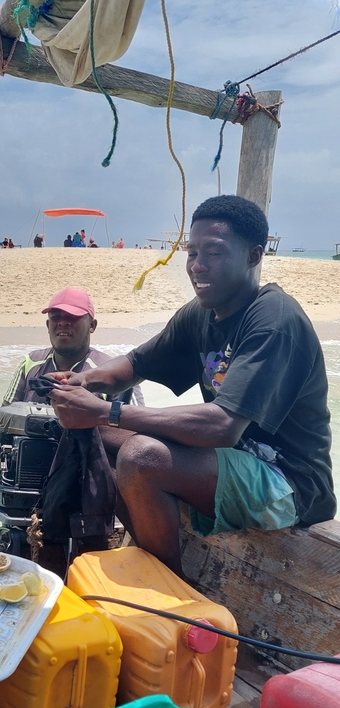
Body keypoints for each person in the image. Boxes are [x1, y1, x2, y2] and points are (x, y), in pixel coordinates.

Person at [47, 195, 336, 578]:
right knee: (90, 433)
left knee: (140, 457)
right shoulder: (202, 313)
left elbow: (222, 426)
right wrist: (84, 379)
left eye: (213, 253)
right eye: (192, 252)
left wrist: (107, 410)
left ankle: (170, 593)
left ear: (253, 256)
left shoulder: (274, 320)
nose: (197, 266)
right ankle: (101, 549)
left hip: (291, 482)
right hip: (231, 459)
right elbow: (136, 364)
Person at [3, 287, 144, 406]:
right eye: (56, 317)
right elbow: (4, 417)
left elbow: (138, 427)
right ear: (48, 325)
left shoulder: (115, 372)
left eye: (73, 317)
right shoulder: (30, 363)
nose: (63, 323)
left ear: (92, 326)